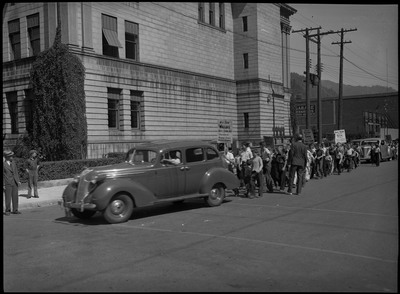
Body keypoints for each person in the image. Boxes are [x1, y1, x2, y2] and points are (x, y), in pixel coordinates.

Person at [3, 150, 22, 215]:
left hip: (14, 182)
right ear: (7, 157)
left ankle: (15, 209)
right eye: (11, 156)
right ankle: (7, 210)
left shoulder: (13, 163)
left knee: (15, 196)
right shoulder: (4, 164)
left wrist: (18, 180)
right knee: (8, 197)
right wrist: (3, 184)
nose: (12, 157)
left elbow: (16, 172)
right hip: (7, 182)